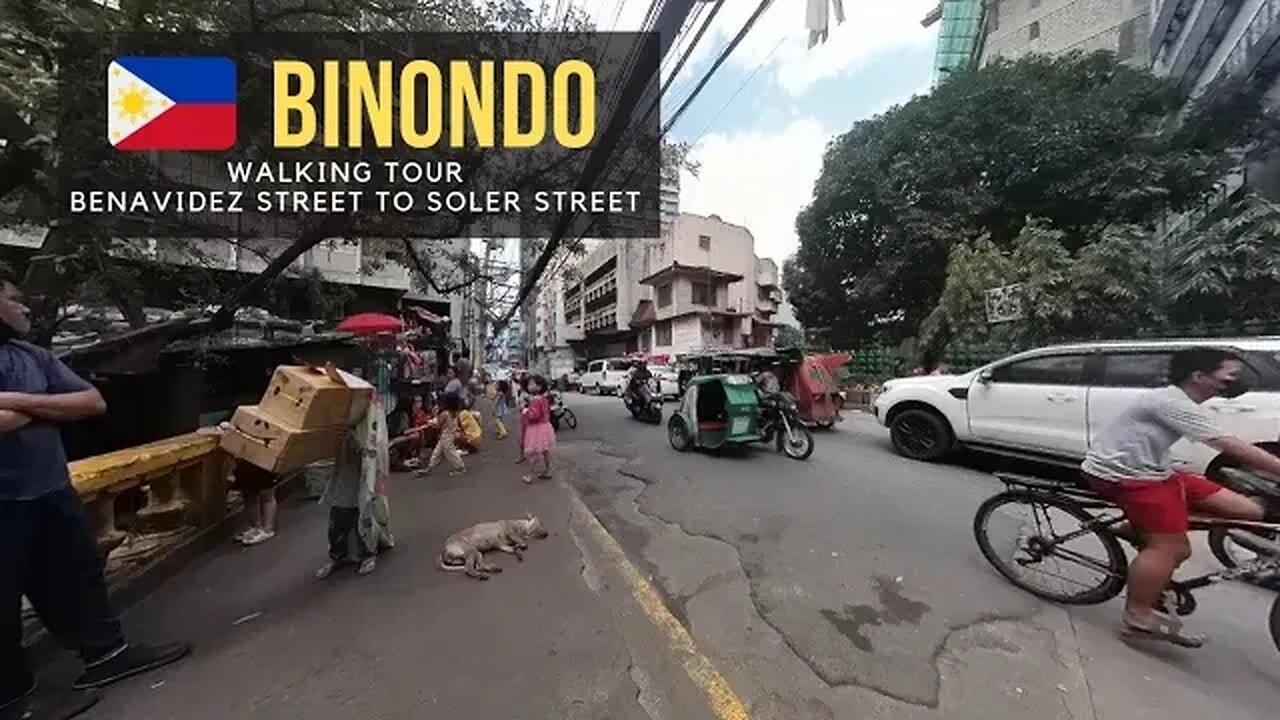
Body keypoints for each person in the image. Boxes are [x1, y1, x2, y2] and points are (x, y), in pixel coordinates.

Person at [0, 271, 189, 720]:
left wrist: (17, 401)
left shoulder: (32, 356)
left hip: (49, 488)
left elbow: (91, 402)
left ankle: (105, 656)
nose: (25, 307)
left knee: (75, 577)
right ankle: (11, 700)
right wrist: (46, 407)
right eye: (14, 299)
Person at [1081, 347, 1280, 648]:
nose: (1236, 381)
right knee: (1174, 549)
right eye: (1230, 376)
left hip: (1158, 471)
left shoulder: (1182, 400)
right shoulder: (1170, 402)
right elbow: (1231, 447)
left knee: (1249, 510)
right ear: (1199, 376)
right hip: (1126, 476)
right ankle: (1138, 615)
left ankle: (1141, 528)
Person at [316, 395, 395, 579]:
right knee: (337, 521)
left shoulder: (366, 425)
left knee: (363, 519)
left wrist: (354, 441)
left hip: (362, 480)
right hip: (342, 481)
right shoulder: (336, 426)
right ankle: (337, 556)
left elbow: (371, 452)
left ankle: (368, 554)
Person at [230, 460, 279, 546]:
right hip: (245, 462)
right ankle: (256, 527)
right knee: (248, 494)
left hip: (264, 460)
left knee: (266, 494)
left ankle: (267, 529)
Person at [521, 375, 557, 485]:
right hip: (545, 427)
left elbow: (533, 416)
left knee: (532, 453)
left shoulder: (535, 400)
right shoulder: (544, 398)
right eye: (529, 384)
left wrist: (524, 410)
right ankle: (548, 471)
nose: (529, 386)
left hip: (536, 429)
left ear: (539, 386)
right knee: (545, 451)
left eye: (532, 384)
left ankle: (529, 475)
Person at [419, 393, 465, 477]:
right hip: (450, 434)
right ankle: (429, 468)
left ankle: (460, 467)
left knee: (450, 452)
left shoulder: (445, 413)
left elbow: (438, 425)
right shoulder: (455, 412)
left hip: (446, 435)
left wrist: (430, 422)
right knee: (437, 452)